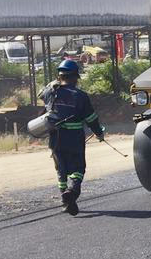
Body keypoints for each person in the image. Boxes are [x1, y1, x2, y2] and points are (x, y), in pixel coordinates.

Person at [41, 59, 104, 216]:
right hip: (74, 138)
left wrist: (54, 84)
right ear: (75, 77)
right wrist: (99, 133)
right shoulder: (80, 96)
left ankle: (66, 200)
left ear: (60, 76)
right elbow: (91, 118)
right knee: (78, 168)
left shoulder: (50, 91)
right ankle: (72, 191)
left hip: (55, 138)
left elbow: (42, 96)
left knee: (61, 169)